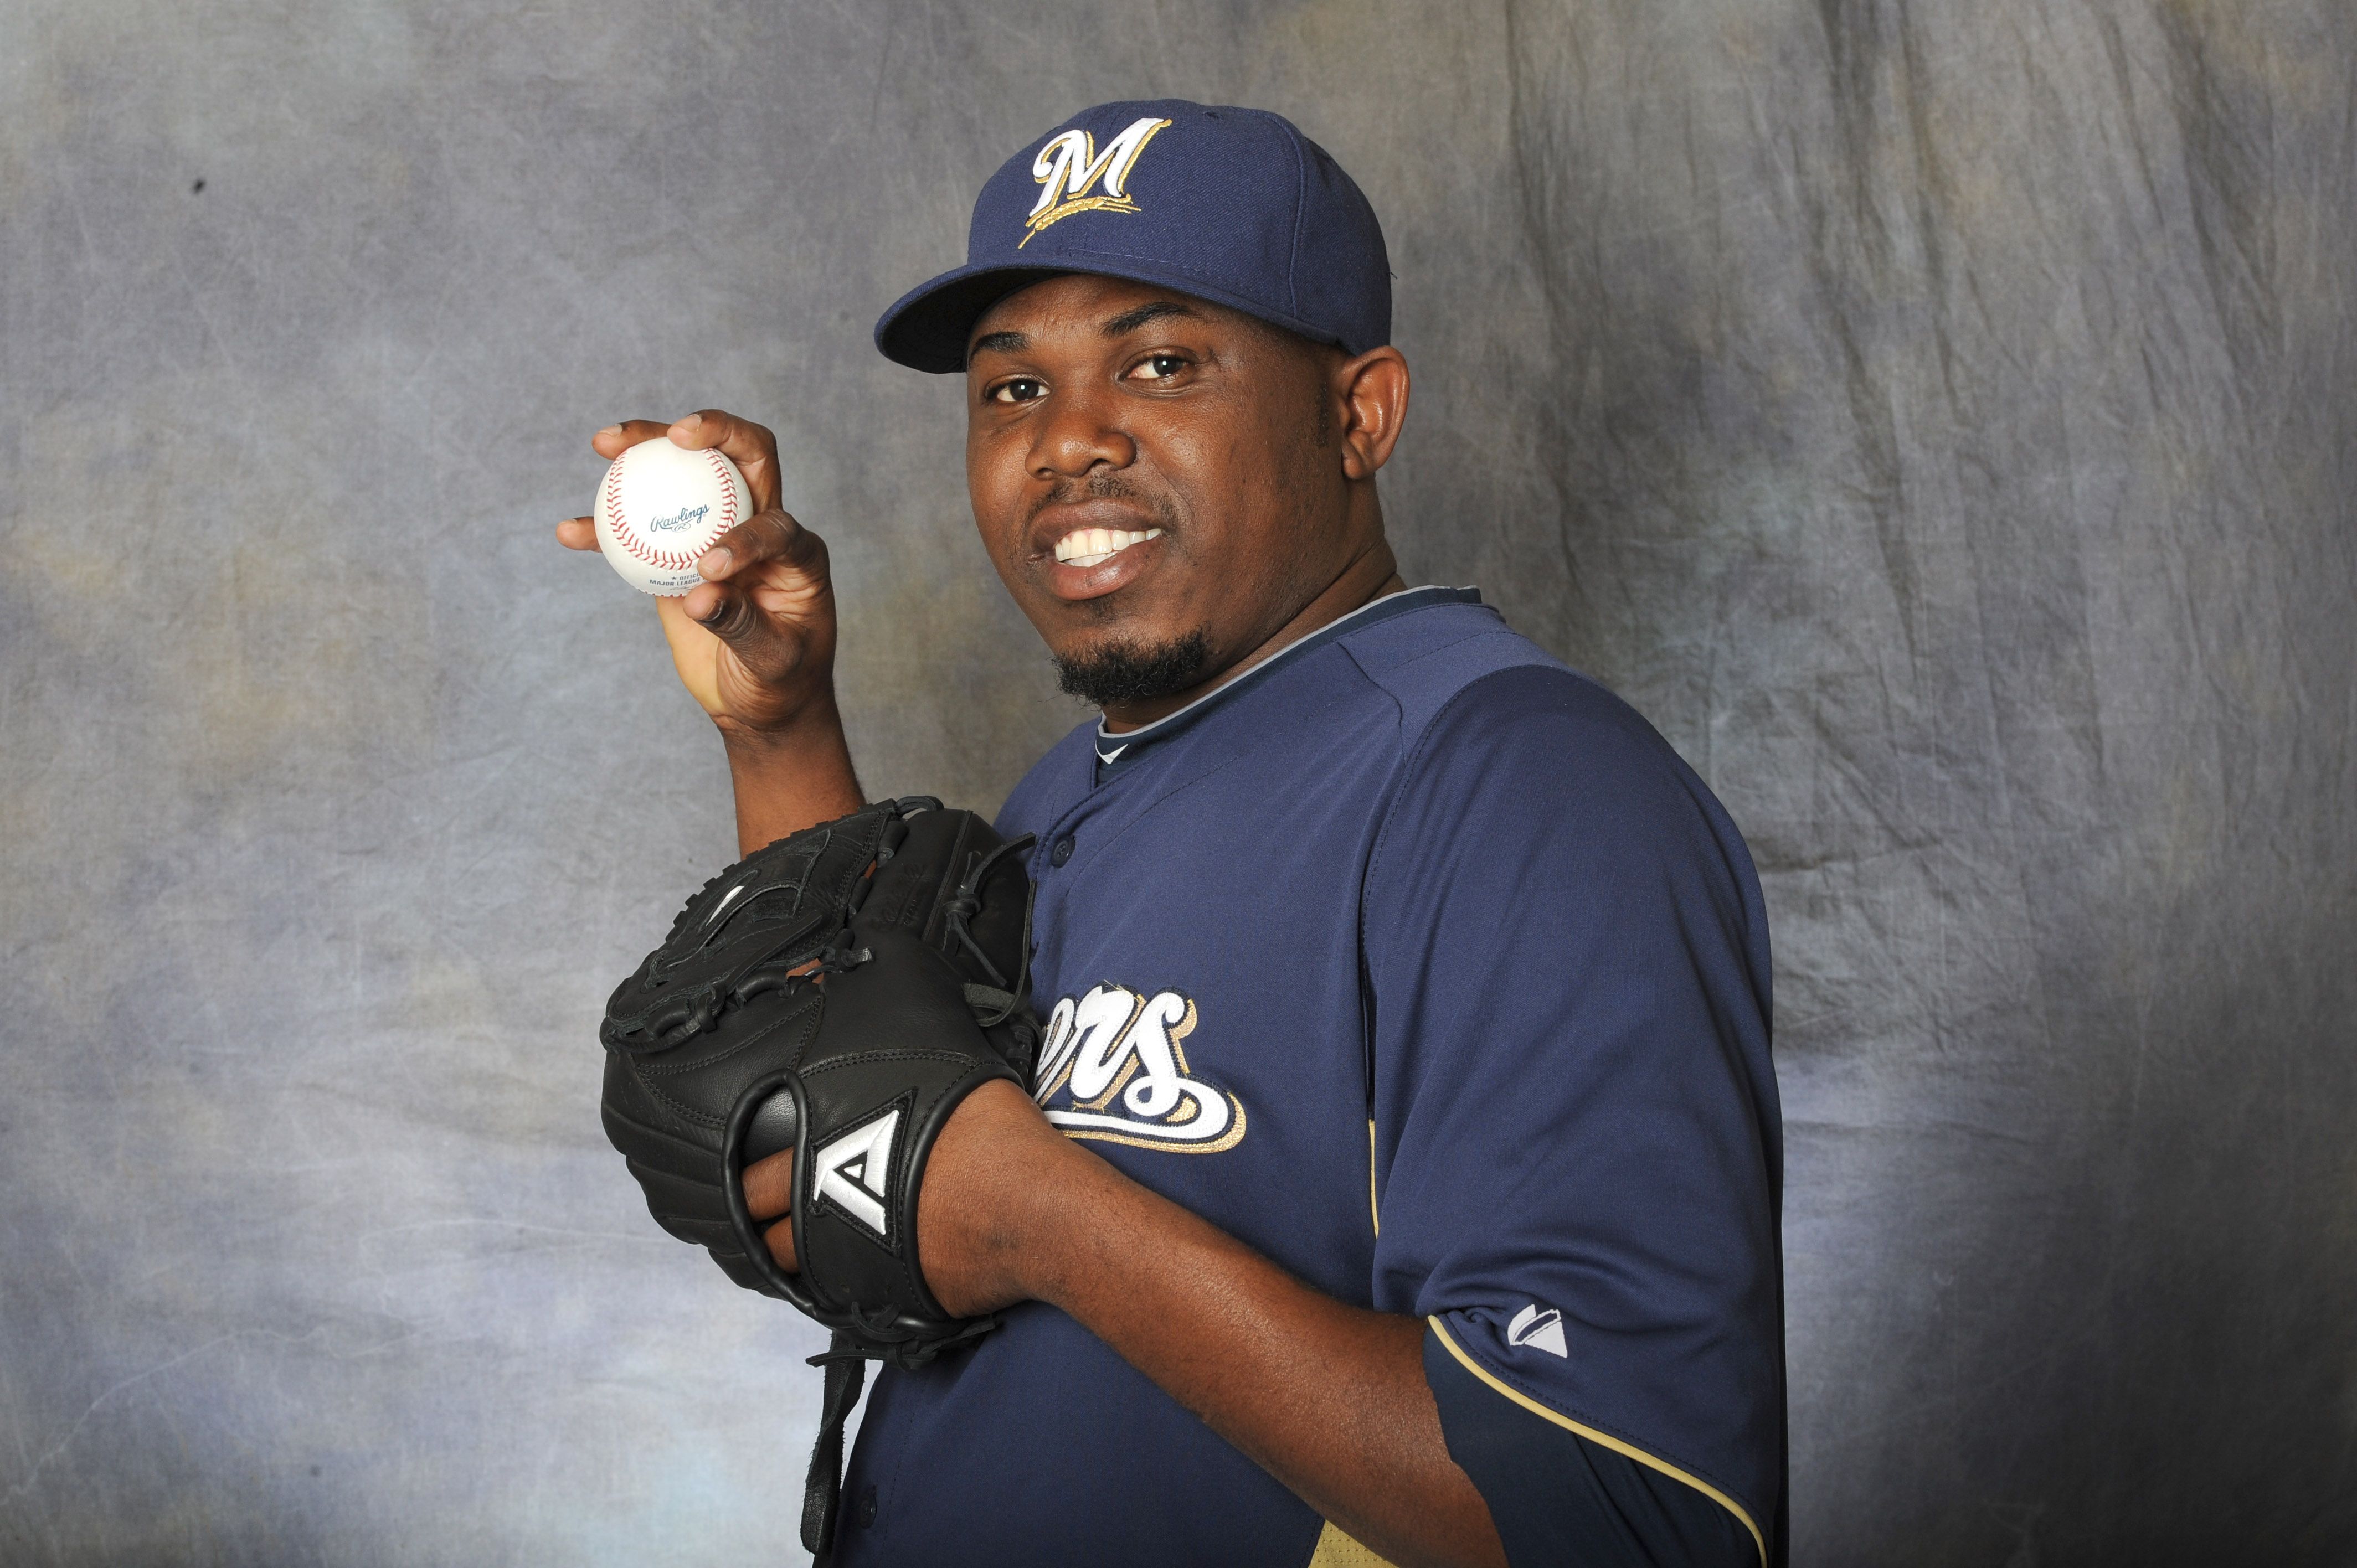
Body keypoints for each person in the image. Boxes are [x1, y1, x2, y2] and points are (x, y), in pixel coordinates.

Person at [559, 99, 1785, 1568]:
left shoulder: (1522, 790)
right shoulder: (1071, 791)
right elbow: (885, 1194)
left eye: (1160, 362)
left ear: (1359, 413)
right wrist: (778, 724)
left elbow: (1625, 1515)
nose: (1070, 439)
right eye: (1012, 390)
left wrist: (1046, 1223)